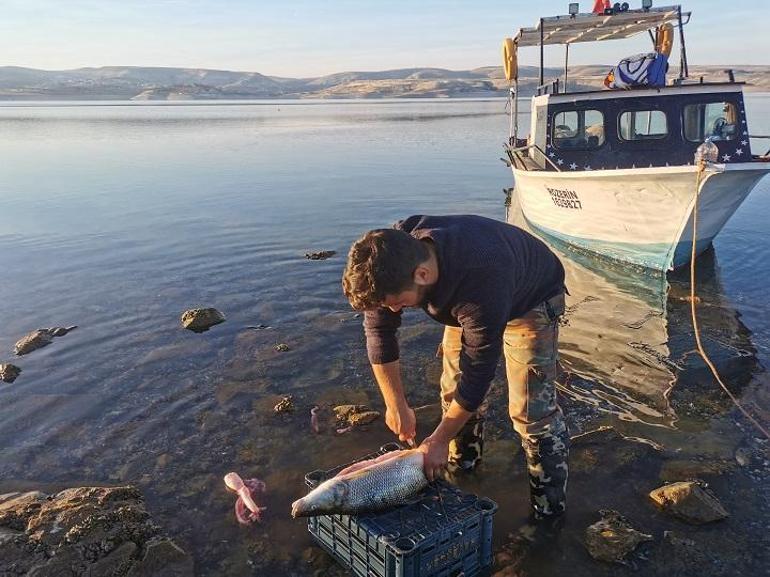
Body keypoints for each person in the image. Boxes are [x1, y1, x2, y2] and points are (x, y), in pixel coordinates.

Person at [342, 214, 570, 520]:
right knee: (453, 396)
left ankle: (548, 515)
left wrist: (436, 440)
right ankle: (464, 470)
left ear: (422, 274)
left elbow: (478, 374)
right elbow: (379, 333)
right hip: (469, 302)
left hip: (530, 296)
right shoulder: (391, 256)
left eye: (397, 303)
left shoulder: (482, 278)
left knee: (531, 414)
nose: (394, 311)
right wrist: (395, 404)